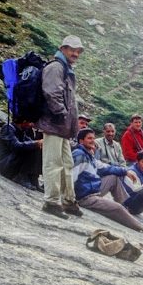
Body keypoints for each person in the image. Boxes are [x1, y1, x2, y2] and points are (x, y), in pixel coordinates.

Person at [72, 129, 143, 237]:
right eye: (89, 138)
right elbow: (71, 177)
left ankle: (124, 208)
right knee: (117, 208)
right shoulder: (79, 155)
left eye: (93, 138)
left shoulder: (90, 157)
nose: (93, 141)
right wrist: (71, 200)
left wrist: (125, 172)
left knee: (113, 177)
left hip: (91, 190)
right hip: (84, 197)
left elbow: (107, 168)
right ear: (81, 141)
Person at [37, 35, 84, 219]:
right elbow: (51, 92)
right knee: (53, 164)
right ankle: (51, 202)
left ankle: (68, 201)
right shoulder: (56, 67)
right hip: (54, 124)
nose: (76, 53)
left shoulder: (65, 68)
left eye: (78, 51)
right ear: (63, 49)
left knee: (67, 164)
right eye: (72, 49)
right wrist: (62, 113)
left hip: (62, 127)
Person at [0, 115, 43, 191]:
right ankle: (21, 176)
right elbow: (16, 146)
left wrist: (38, 144)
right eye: (29, 122)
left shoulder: (21, 130)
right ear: (24, 122)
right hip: (5, 164)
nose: (30, 125)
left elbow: (28, 141)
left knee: (36, 147)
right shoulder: (8, 128)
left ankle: (33, 178)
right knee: (29, 147)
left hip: (11, 162)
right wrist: (36, 144)